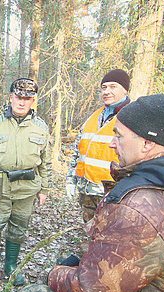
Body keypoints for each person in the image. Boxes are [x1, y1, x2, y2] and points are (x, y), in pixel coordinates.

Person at [9, 94, 164, 292]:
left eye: (120, 136)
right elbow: (118, 242)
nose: (113, 144)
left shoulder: (139, 207)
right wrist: (79, 256)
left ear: (147, 142)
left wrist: (54, 275)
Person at [0, 78, 51, 286]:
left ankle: (10, 267)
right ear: (11, 97)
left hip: (27, 188)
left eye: (27, 98)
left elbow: (46, 161)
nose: (22, 102)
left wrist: (44, 188)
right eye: (18, 97)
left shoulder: (40, 127)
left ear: (33, 101)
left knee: (18, 229)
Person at [66, 69, 131, 222]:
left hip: (115, 193)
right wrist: (71, 180)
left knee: (112, 239)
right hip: (87, 191)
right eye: (104, 87)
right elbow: (78, 152)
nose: (107, 91)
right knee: (90, 234)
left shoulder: (133, 118)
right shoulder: (93, 118)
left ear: (125, 89)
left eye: (113, 86)